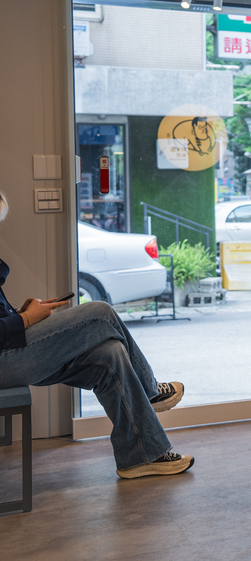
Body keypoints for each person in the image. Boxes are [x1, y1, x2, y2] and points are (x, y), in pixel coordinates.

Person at [0, 189, 194, 479]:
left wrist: (19, 315)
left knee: (110, 353)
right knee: (100, 312)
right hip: (5, 362)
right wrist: (26, 319)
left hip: (10, 352)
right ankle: (149, 390)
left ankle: (140, 457)